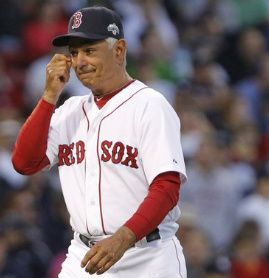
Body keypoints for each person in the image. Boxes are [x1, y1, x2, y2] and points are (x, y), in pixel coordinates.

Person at [12, 6, 187, 277]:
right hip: (84, 255)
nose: (80, 61)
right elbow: (25, 163)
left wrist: (122, 239)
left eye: (89, 50)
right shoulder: (69, 111)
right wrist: (49, 96)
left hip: (147, 256)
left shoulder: (150, 105)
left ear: (119, 50)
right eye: (74, 52)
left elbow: (167, 187)